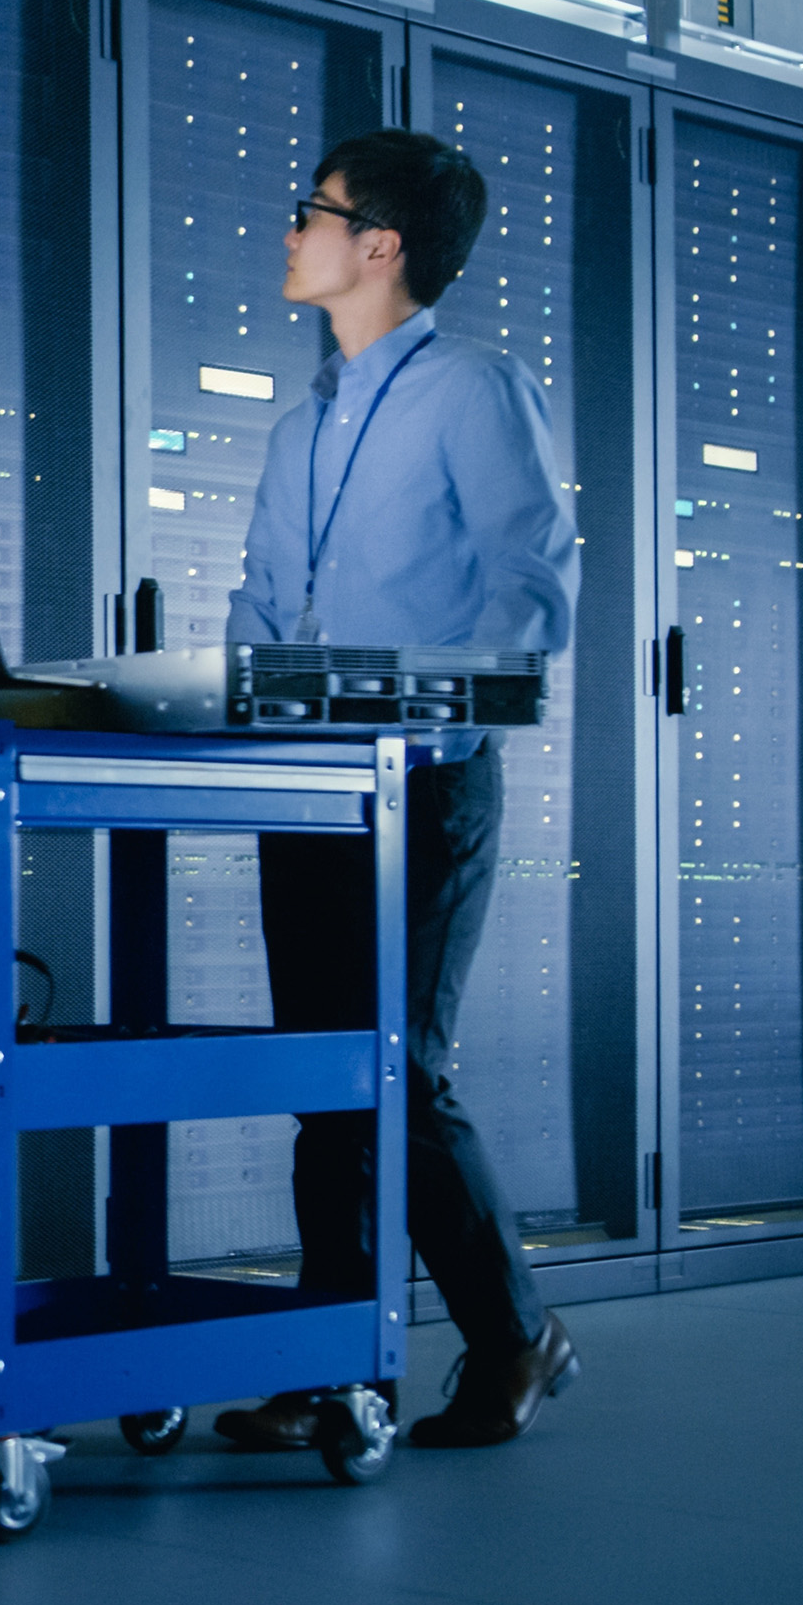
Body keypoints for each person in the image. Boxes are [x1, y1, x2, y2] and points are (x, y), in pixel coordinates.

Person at [210, 129, 582, 1453]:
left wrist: (434, 720)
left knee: (398, 1072)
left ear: (383, 247)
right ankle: (332, 1363)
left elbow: (531, 588)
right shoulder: (299, 419)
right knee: (327, 1080)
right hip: (305, 784)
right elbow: (262, 604)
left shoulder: (475, 389)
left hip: (424, 782)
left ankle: (514, 1333)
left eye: (312, 210)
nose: (291, 228)